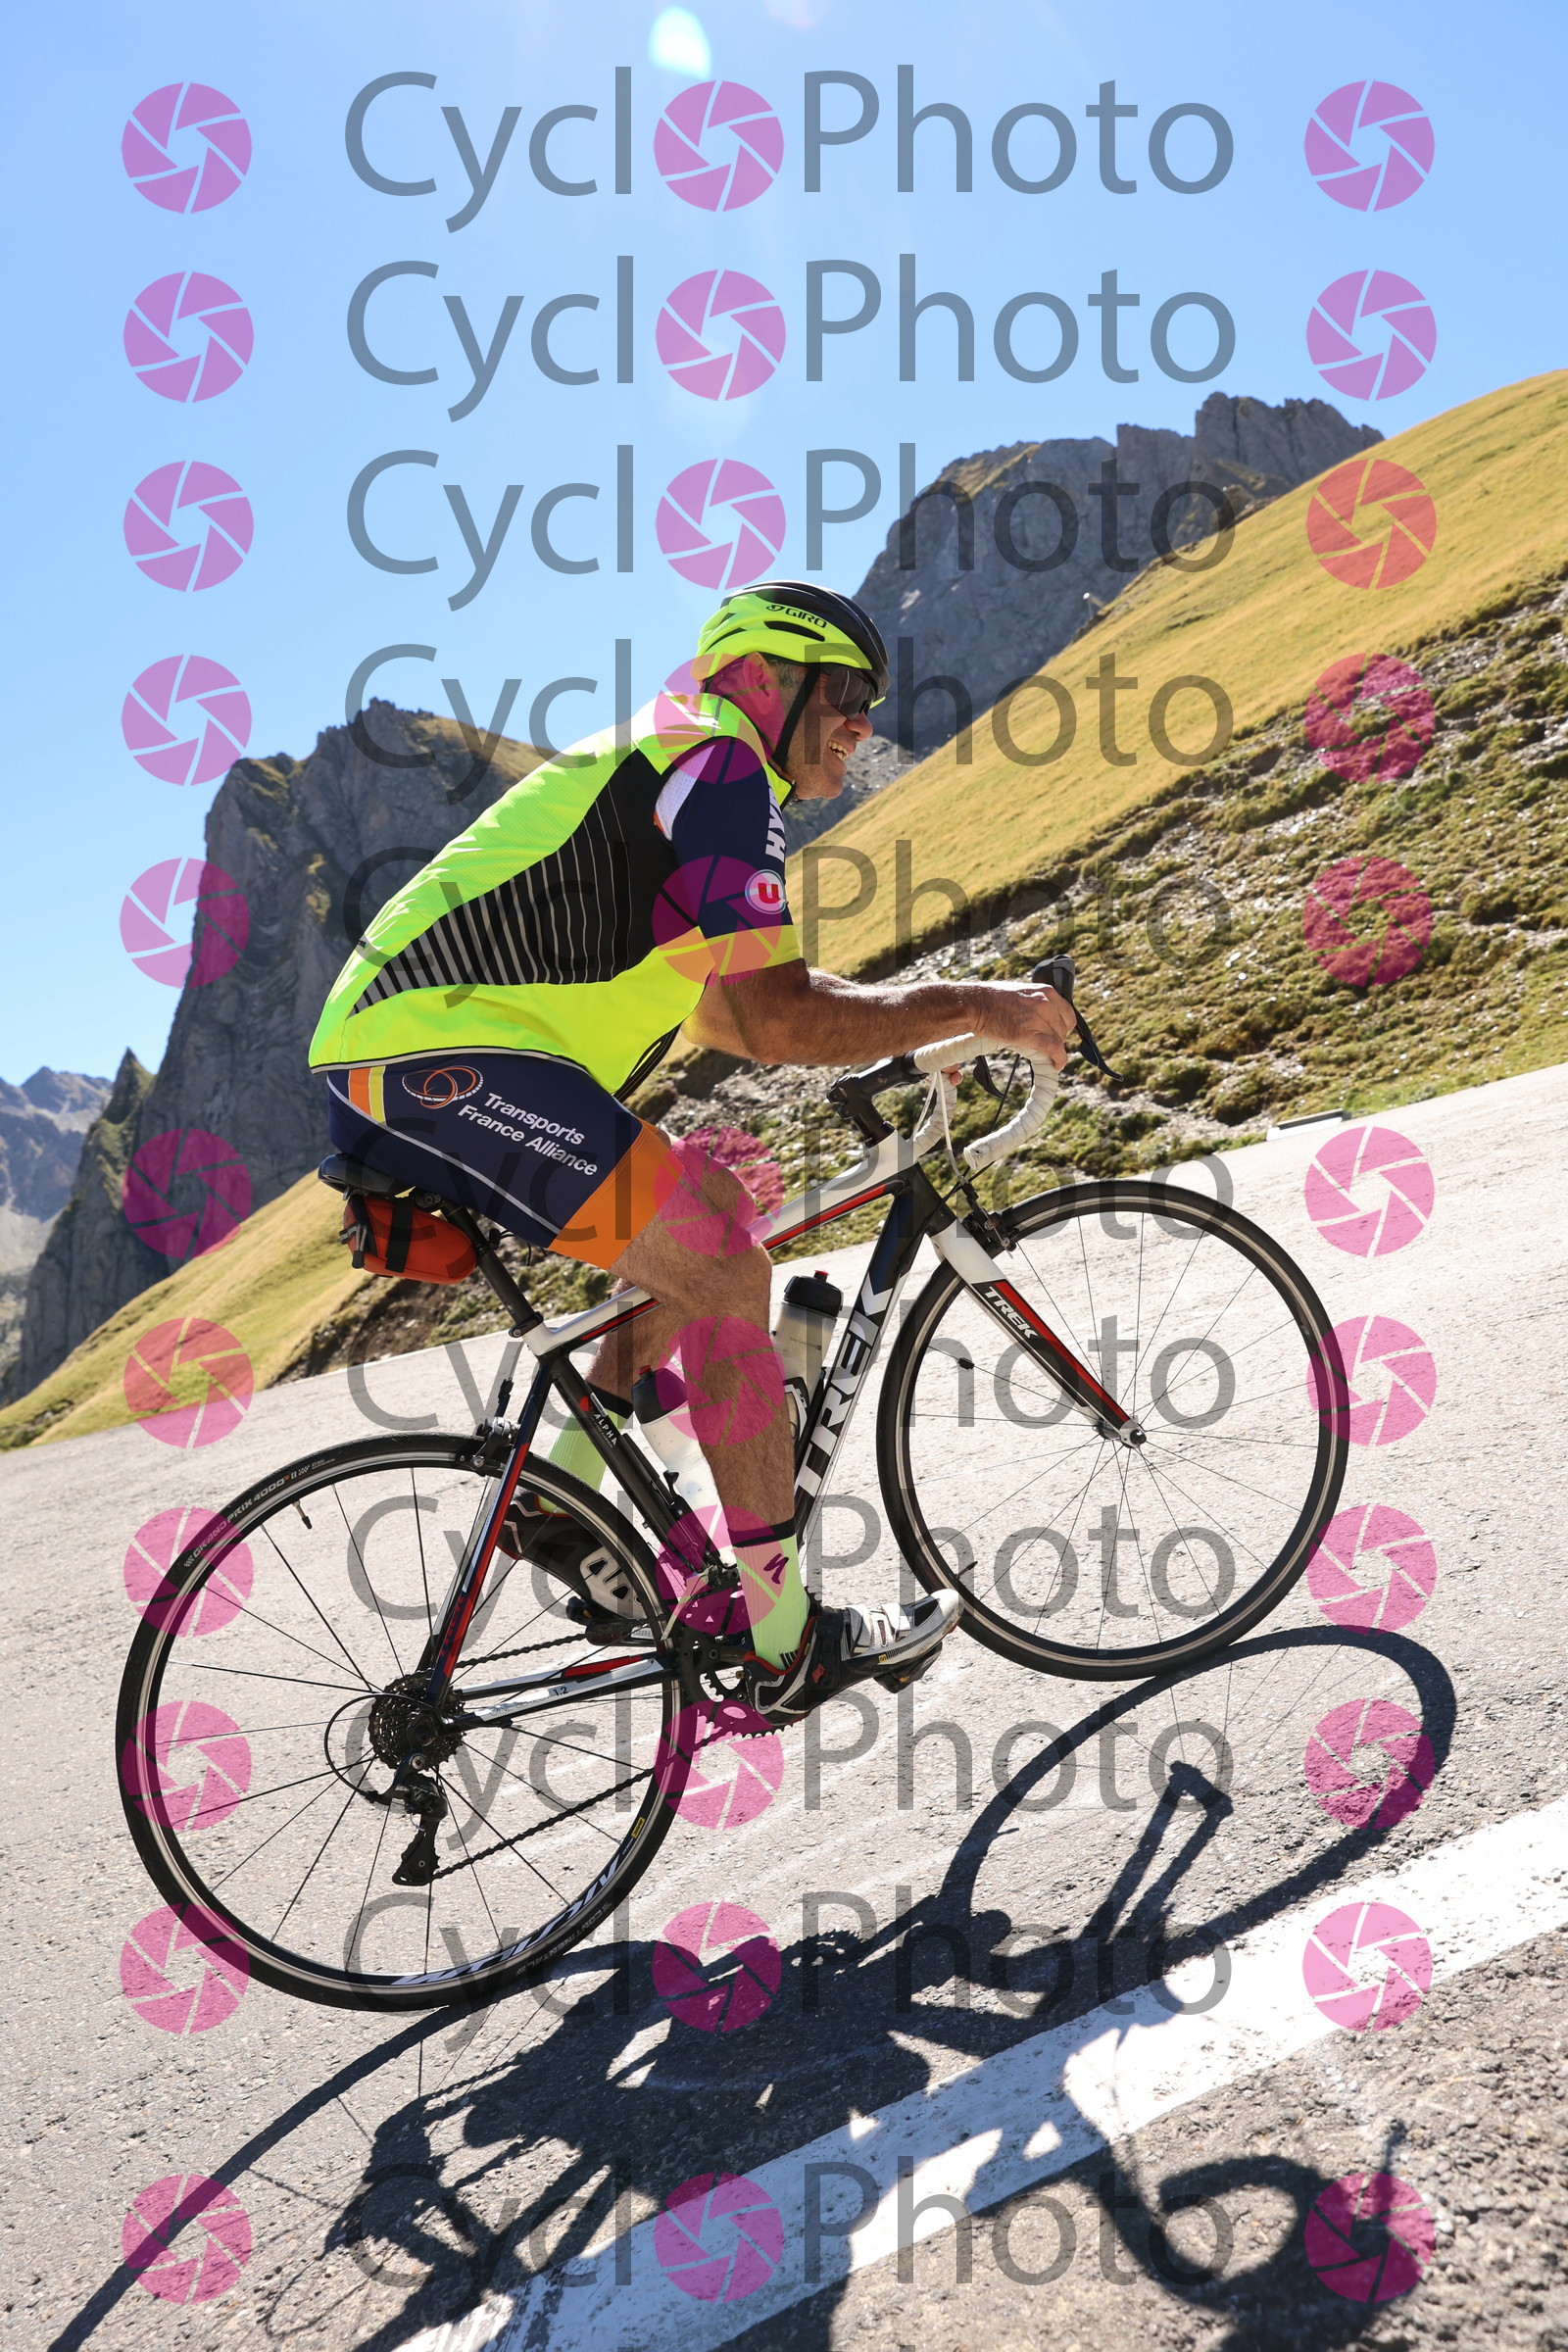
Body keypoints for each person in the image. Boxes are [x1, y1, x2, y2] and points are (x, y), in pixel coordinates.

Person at [309, 582, 1075, 1723]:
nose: (861, 721)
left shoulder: (684, 765)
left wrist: (916, 1028)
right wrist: (974, 1004)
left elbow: (729, 1010)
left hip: (438, 1056)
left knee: (705, 1205)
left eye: (870, 700)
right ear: (763, 679)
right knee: (723, 1268)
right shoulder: (715, 763)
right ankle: (782, 1637)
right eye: (845, 692)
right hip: (434, 1057)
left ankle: (564, 1499)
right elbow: (776, 1019)